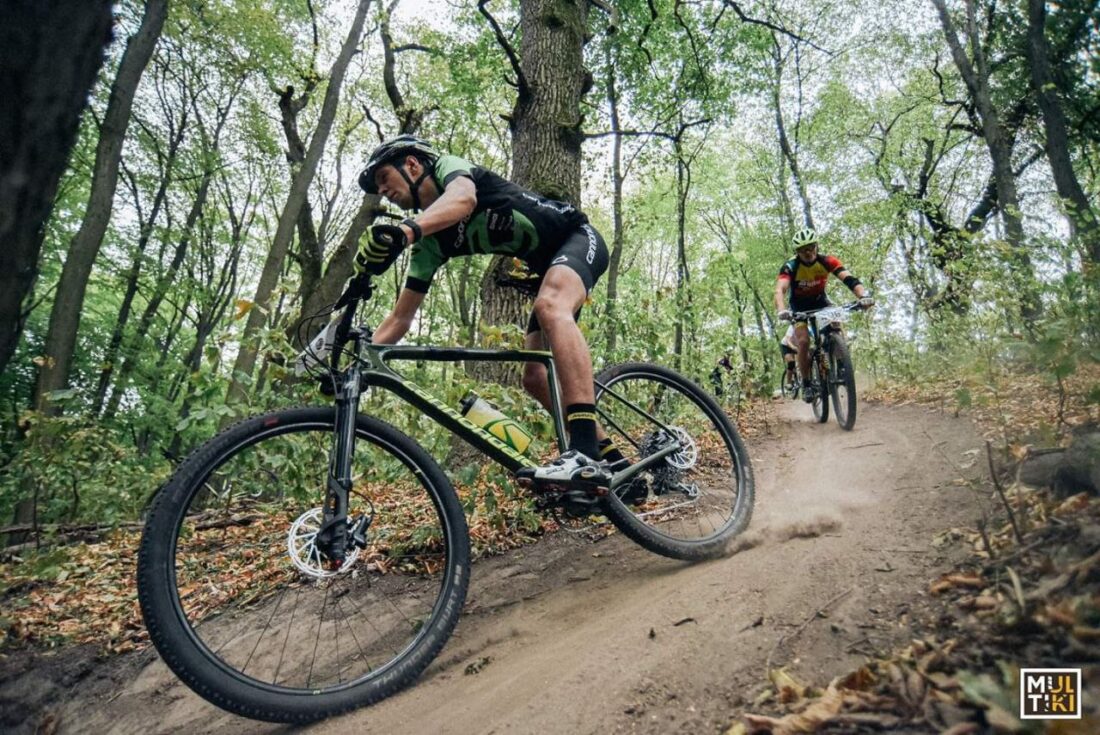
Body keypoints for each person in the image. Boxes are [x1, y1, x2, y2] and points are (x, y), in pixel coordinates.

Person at [356, 134, 618, 487]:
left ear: (413, 164)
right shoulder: (429, 244)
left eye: (384, 178)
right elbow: (400, 319)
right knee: (535, 378)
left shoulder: (451, 168)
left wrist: (405, 232)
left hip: (577, 237)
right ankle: (617, 463)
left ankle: (585, 453)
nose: (382, 190)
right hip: (548, 270)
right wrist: (357, 363)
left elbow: (463, 201)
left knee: (551, 305)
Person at [774, 228, 873, 402]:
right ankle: (806, 384)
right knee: (804, 341)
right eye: (803, 249)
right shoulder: (791, 266)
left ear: (816, 246)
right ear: (797, 252)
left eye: (811, 247)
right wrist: (782, 310)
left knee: (835, 323)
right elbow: (780, 289)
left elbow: (849, 279)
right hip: (799, 306)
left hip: (821, 302)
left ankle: (841, 361)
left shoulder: (827, 261)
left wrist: (863, 296)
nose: (808, 252)